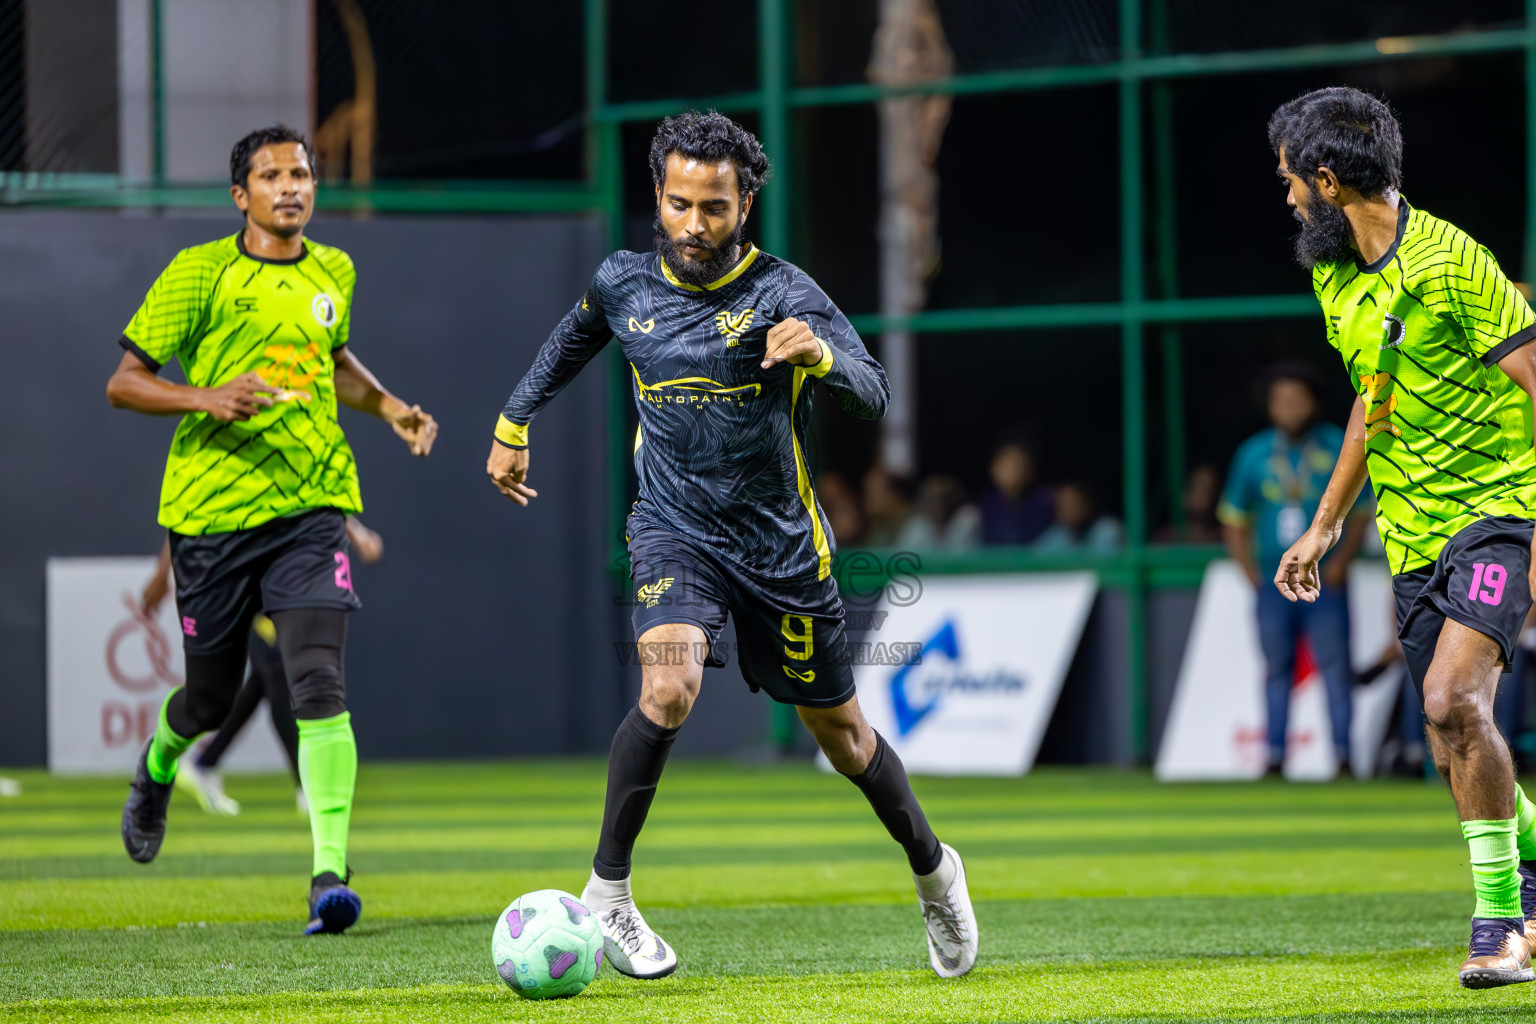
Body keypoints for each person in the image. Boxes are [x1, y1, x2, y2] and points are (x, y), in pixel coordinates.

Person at [485, 111, 977, 980]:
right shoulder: (624, 284)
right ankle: (609, 893)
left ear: (745, 202)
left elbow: (874, 390)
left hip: (781, 551)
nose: (694, 226)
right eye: (679, 205)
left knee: (847, 740)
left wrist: (821, 354)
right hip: (674, 530)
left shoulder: (784, 292)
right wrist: (513, 419)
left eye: (714, 208)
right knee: (668, 685)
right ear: (660, 197)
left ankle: (935, 872)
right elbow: (573, 338)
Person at [105, 124, 437, 936]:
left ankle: (330, 874)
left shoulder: (335, 270)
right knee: (210, 698)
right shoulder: (200, 273)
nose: (291, 187)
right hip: (212, 516)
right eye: (271, 175)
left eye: (302, 174)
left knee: (317, 679)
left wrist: (390, 406)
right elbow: (124, 383)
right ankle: (155, 772)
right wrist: (205, 395)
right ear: (240, 196)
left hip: (311, 507)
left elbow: (333, 363)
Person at [1269, 87, 1536, 987]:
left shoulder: (1455, 261)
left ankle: (1502, 923)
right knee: (1449, 732)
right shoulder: (1335, 274)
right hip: (1410, 535)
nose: (1289, 197)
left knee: (1452, 700)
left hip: (1500, 512)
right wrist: (1324, 524)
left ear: (1331, 179)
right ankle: (1527, 868)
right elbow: (1371, 401)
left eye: (1292, 181)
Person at [140, 517, 386, 816]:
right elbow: (188, 509)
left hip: (285, 572)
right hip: (243, 574)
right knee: (272, 678)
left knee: (262, 682)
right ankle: (302, 783)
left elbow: (318, 490)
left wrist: (358, 534)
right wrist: (161, 573)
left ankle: (206, 763)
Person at [1219, 364, 1368, 776]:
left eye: (1297, 399)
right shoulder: (1252, 453)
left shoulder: (1339, 444)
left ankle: (1343, 755)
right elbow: (1233, 518)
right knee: (1276, 668)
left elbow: (1361, 514)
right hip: (1273, 580)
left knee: (1336, 666)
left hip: (1325, 579)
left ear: (1314, 402)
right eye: (1281, 400)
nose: (1289, 408)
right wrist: (1250, 572)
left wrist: (1339, 564)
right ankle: (1273, 756)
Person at [979, 435, 1054, 545]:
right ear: (993, 469)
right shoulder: (981, 507)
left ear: (1031, 471)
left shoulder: (1046, 504)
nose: (1013, 471)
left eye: (1020, 465)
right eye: (1008, 465)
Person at [895, 474, 982, 551]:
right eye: (931, 501)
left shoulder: (968, 519)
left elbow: (966, 559)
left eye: (942, 500)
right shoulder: (917, 525)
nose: (936, 507)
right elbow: (904, 559)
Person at [1035, 481, 1123, 552]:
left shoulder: (1107, 529)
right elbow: (1034, 559)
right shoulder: (1060, 533)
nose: (1066, 509)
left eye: (1071, 504)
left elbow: (1105, 566)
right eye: (1062, 504)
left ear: (1086, 505)